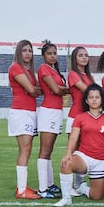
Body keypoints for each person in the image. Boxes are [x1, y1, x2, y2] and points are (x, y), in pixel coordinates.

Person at [54, 83, 104, 207]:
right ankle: (66, 198)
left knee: (96, 196)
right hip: (84, 157)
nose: (94, 100)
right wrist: (68, 154)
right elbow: (73, 137)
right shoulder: (80, 118)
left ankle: (82, 188)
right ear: (86, 100)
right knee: (67, 163)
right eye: (91, 97)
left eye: (97, 97)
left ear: (102, 100)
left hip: (102, 160)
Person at [8, 39, 42, 199]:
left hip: (29, 112)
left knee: (27, 150)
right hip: (21, 112)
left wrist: (35, 91)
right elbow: (31, 89)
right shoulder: (15, 67)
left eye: (30, 51)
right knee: (25, 149)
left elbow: (34, 91)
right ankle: (21, 191)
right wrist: (35, 90)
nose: (28, 53)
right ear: (18, 52)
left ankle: (23, 186)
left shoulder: (28, 70)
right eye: (25, 50)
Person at [36, 42, 69, 199]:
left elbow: (59, 89)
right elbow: (56, 90)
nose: (53, 56)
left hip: (56, 111)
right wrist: (71, 88)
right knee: (45, 150)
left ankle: (49, 184)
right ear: (43, 55)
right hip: (48, 111)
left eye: (55, 53)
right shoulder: (43, 69)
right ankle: (43, 189)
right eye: (49, 53)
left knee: (49, 150)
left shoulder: (54, 70)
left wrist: (64, 89)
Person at [65, 46, 94, 192]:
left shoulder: (89, 76)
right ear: (75, 58)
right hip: (75, 115)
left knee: (83, 151)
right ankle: (69, 185)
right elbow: (88, 91)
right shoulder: (73, 74)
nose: (84, 57)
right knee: (73, 149)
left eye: (86, 55)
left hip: (88, 118)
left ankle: (79, 183)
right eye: (81, 55)